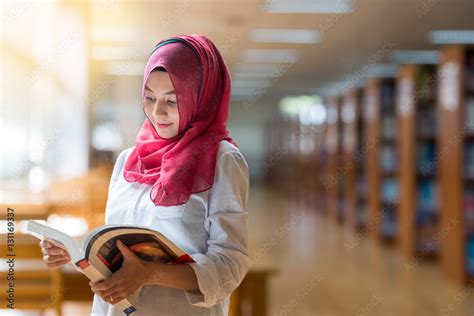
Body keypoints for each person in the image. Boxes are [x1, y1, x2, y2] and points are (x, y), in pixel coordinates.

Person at [39, 34, 250, 316]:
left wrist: (151, 273)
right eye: (149, 97)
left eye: (172, 101)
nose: (156, 112)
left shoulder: (223, 160)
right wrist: (78, 253)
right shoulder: (129, 160)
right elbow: (121, 239)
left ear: (201, 99)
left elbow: (229, 265)